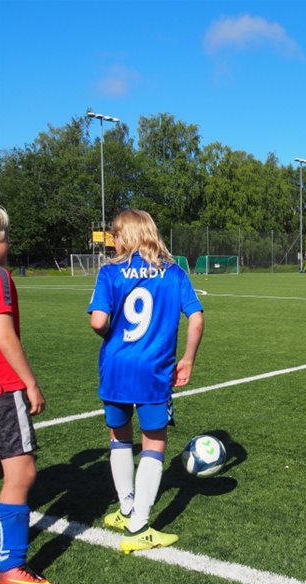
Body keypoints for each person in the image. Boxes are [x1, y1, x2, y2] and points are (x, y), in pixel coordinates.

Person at [88, 210, 204, 554]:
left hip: (116, 367)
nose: (115, 241)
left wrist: (114, 334)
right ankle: (139, 527)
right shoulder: (173, 273)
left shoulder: (109, 272)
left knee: (118, 436)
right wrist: (188, 359)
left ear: (129, 235)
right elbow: (196, 318)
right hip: (153, 371)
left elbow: (98, 322)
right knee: (154, 443)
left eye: (117, 235)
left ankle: (126, 509)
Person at [0, 205, 57, 584]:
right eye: (3, 236)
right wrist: (29, 382)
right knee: (21, 473)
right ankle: (10, 565)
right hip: (3, 387)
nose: (7, 244)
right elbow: (2, 334)